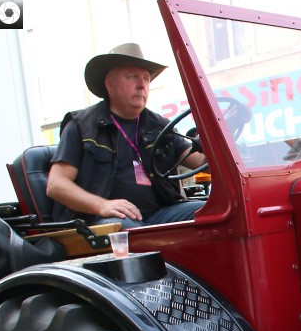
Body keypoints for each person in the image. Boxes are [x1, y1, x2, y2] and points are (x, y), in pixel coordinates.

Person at [46, 43, 206, 228]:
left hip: (160, 214)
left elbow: (200, 162)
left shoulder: (160, 126)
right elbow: (56, 185)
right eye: (132, 77)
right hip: (102, 219)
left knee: (212, 214)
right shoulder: (82, 126)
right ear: (110, 84)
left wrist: (217, 139)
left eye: (146, 78)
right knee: (125, 227)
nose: (141, 85)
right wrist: (102, 205)